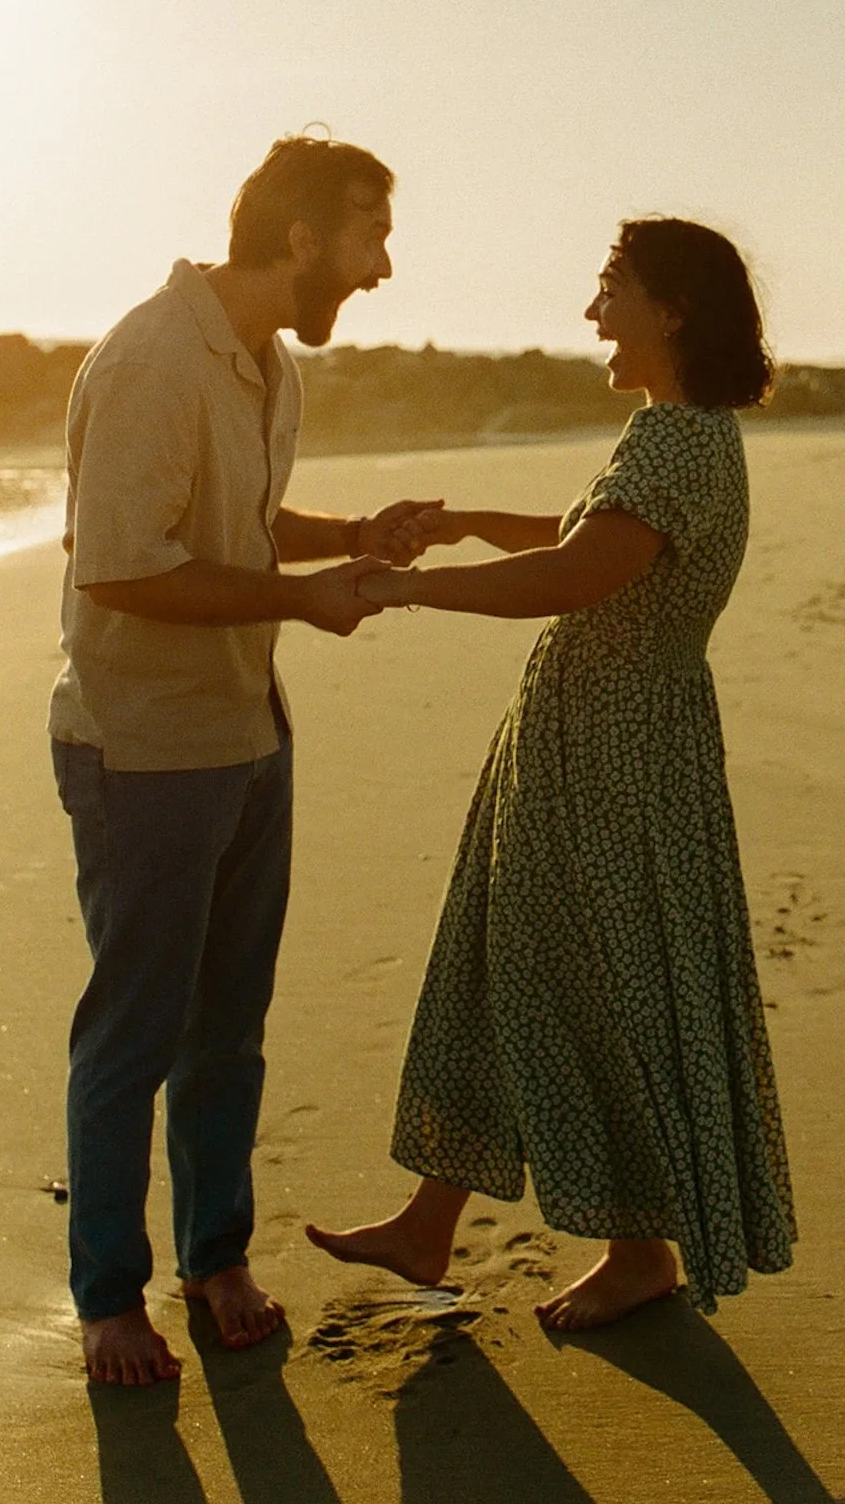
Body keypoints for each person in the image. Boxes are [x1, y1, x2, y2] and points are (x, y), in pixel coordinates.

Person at [307, 216, 796, 1330]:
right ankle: (432, 1223)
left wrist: (402, 591)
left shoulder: (679, 441)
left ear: (669, 308)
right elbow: (588, 531)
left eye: (609, 287)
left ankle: (640, 1254)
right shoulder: (671, 431)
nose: (591, 311)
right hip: (582, 742)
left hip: (620, 758)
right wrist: (466, 523)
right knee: (500, 959)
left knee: (602, 988)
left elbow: (579, 573)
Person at [49, 134, 443, 1387]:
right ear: (299, 241)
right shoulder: (158, 355)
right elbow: (120, 563)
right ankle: (110, 1297)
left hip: (249, 731)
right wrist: (304, 597)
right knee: (134, 1034)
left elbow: (238, 521)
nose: (384, 266)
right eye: (371, 235)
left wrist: (349, 538)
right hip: (147, 748)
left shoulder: (267, 362)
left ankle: (214, 1256)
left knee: (230, 1029)